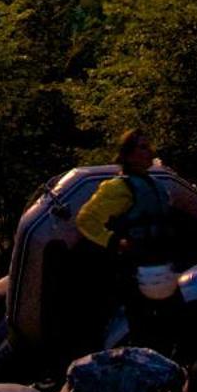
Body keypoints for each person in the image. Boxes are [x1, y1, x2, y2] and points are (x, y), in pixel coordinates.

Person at [76, 130, 182, 349]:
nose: (149, 151)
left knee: (172, 326)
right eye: (142, 147)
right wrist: (115, 241)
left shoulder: (156, 185)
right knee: (144, 330)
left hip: (163, 266)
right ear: (129, 155)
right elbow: (86, 219)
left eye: (148, 146)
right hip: (136, 269)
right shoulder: (118, 188)